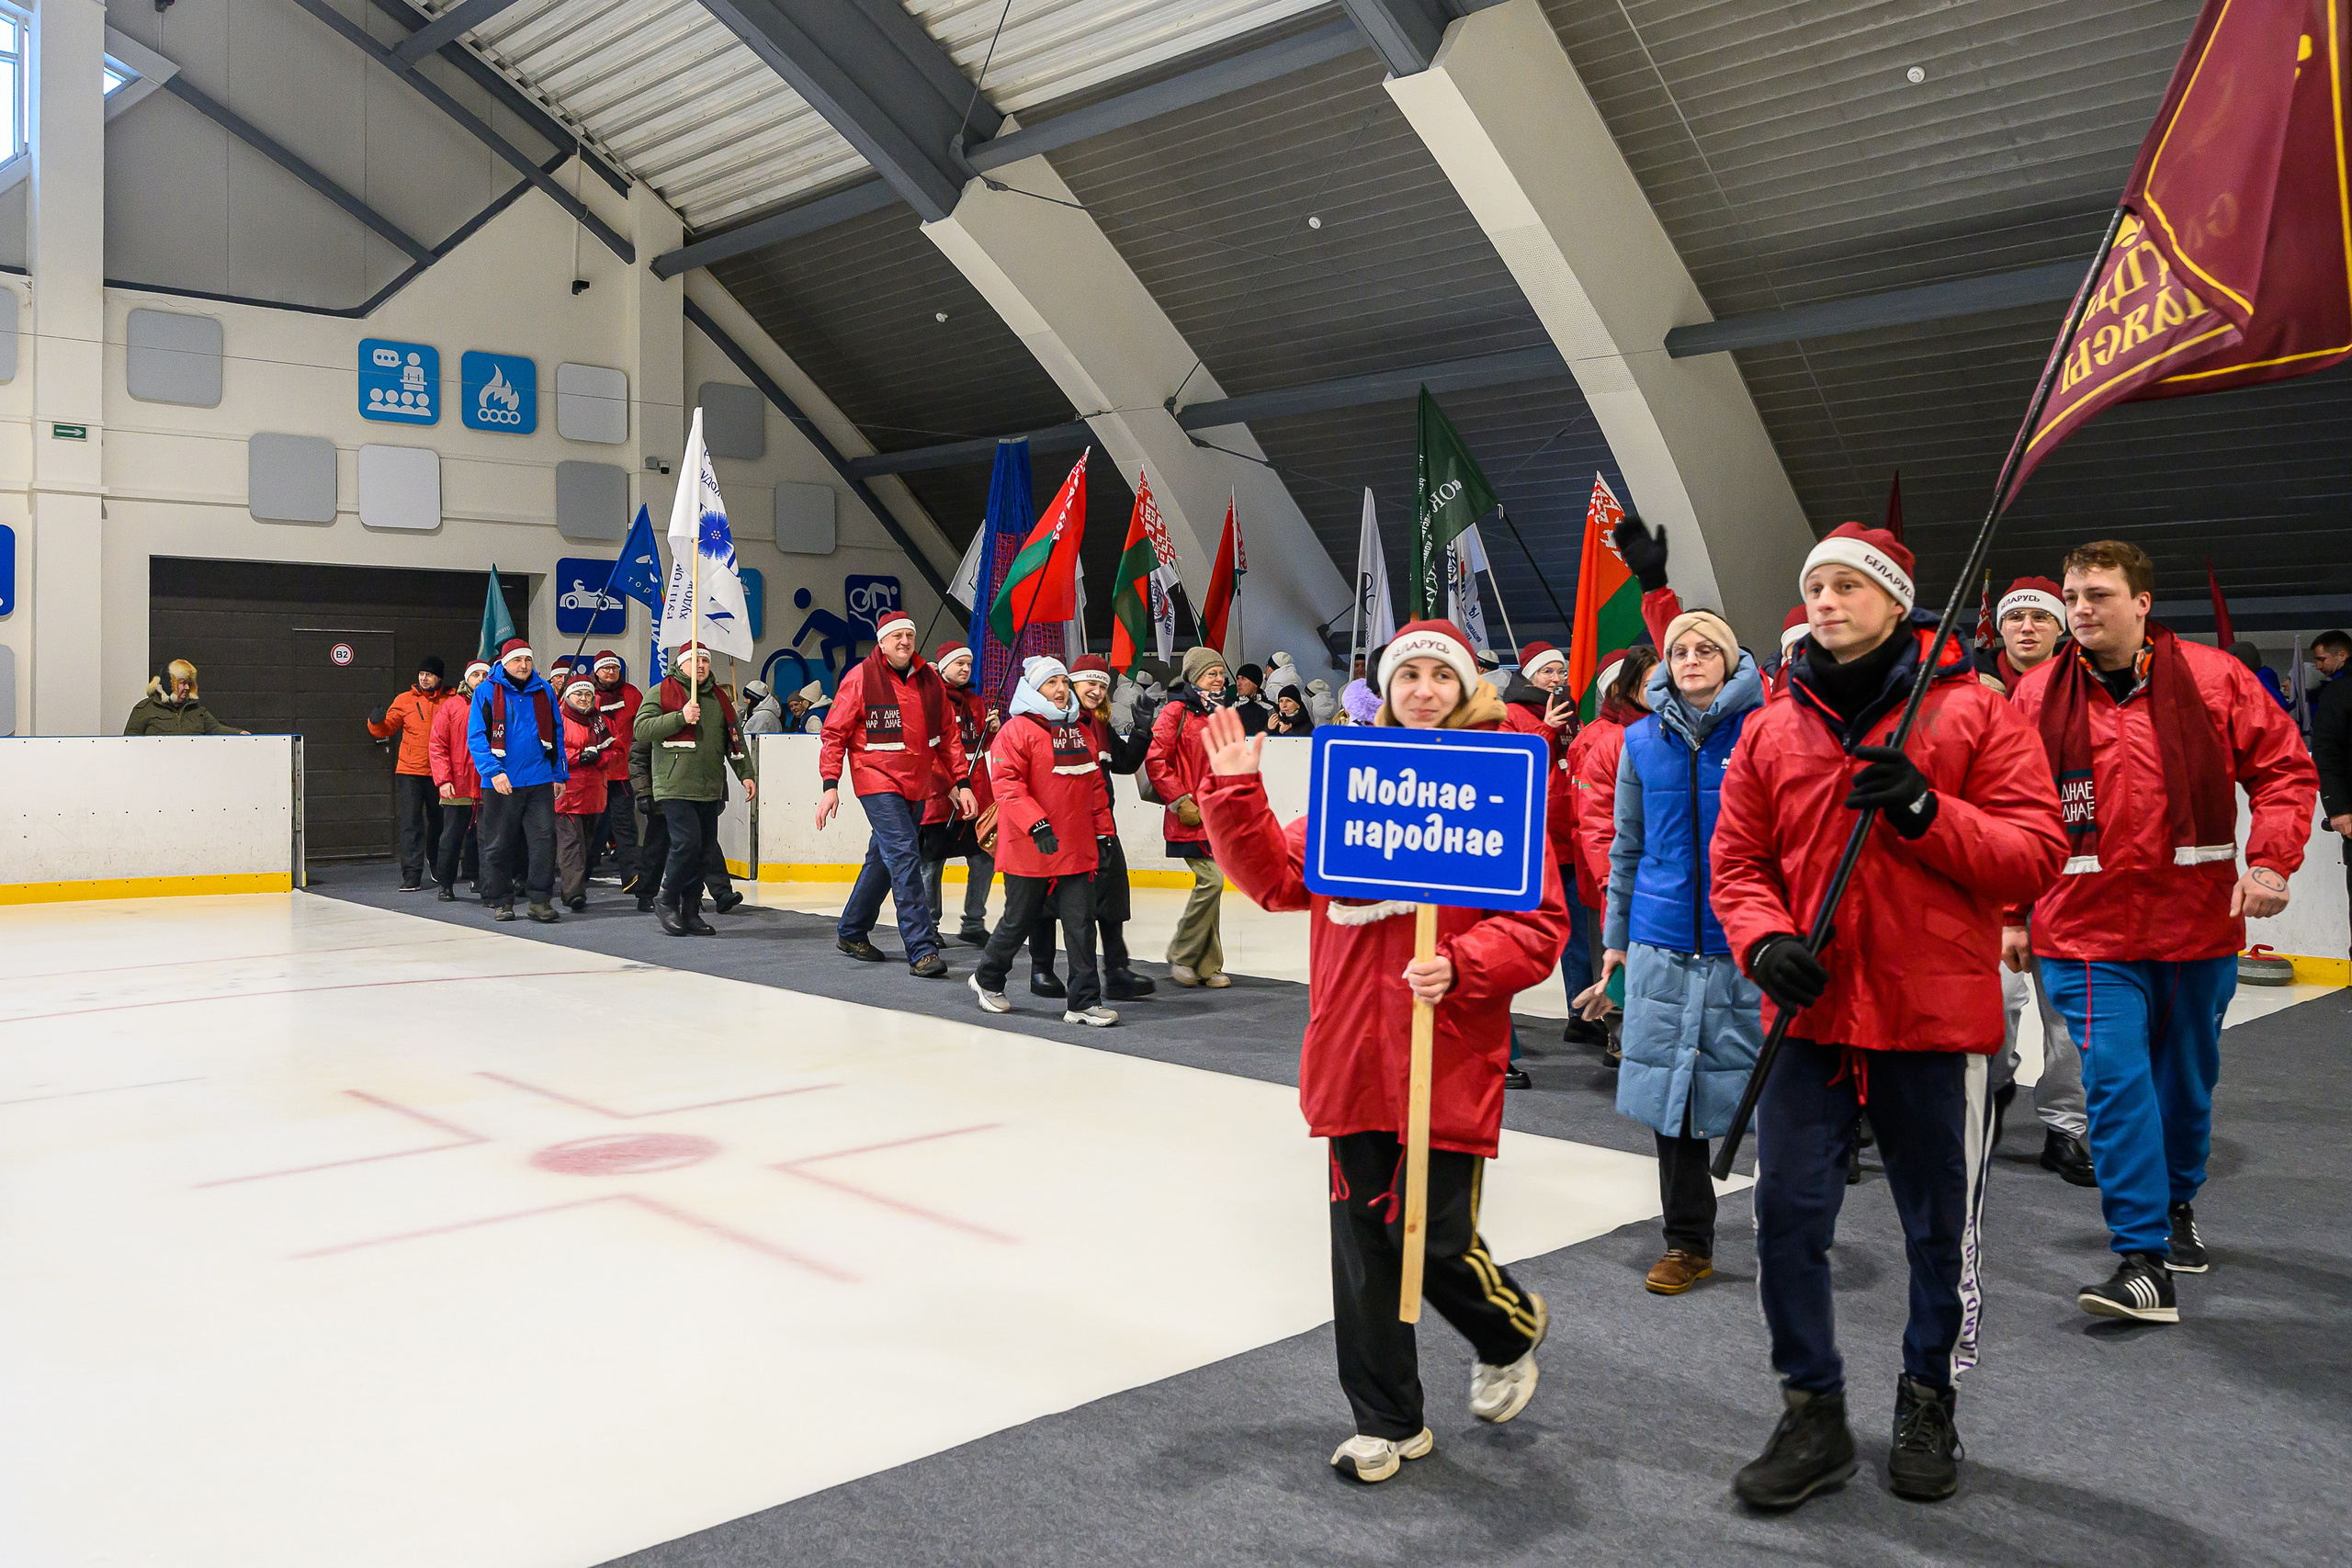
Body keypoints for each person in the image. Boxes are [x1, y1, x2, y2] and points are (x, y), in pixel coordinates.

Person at [1711, 523, 2064, 1508]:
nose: (1824, 602)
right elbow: (1737, 864)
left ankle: (1926, 1395)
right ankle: (1810, 1408)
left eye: (1845, 586)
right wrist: (1763, 940)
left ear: (1896, 599)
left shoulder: (1972, 715)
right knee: (1784, 1217)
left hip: (1933, 1017)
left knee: (1936, 1231)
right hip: (1809, 1019)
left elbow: (2034, 852)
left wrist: (1925, 813)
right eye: (1811, 587)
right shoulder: (1771, 727)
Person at [1197, 619, 1569, 1483]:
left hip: (1447, 1049)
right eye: (1411, 677)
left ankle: (1507, 1327)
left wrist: (1466, 962)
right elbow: (1276, 881)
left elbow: (1542, 924)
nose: (1426, 689)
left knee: (1432, 1237)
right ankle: (1388, 1420)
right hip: (1355, 1054)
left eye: (1443, 675)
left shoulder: (1499, 786)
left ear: (1466, 688)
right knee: (1365, 1245)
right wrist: (1236, 792)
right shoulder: (1350, 785)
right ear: (1389, 691)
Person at [2009, 540, 2316, 1325]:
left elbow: (2284, 769)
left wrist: (2272, 860)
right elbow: (2005, 808)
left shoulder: (2215, 680)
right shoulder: (2037, 696)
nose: (2080, 608)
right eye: (2073, 594)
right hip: (2082, 934)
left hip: (2195, 930)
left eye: (2098, 595)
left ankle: (2178, 1206)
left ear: (2142, 602)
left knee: (2185, 1089)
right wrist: (2009, 913)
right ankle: (2141, 1257)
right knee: (2113, 1083)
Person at [1577, 611, 1764, 1296]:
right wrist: (1616, 943)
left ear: (1730, 658)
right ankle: (1688, 1240)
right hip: (1660, 941)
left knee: (1765, 1088)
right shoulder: (1638, 742)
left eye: (1704, 648)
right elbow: (1625, 848)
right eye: (1678, 650)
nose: (1690, 659)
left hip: (1747, 940)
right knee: (1674, 1101)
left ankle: (1790, 1226)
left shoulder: (1766, 731)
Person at [1984, 578, 2092, 1184]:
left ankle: (2065, 1128)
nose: (2027, 627)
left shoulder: (2086, 691)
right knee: (1993, 1006)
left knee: (2069, 1021)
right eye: (2015, 616)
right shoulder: (1967, 686)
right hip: (1988, 881)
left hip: (2067, 884)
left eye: (2039, 617)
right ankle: (1992, 1093)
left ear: (2061, 627)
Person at [820, 612, 972, 976]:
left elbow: (946, 738)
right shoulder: (859, 679)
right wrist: (830, 785)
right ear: (882, 642)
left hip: (917, 782)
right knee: (904, 855)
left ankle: (852, 931)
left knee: (883, 859)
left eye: (909, 634)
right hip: (876, 780)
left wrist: (958, 783)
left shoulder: (929, 683)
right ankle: (921, 950)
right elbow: (834, 734)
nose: (904, 641)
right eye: (897, 636)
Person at [969, 657, 1118, 1027]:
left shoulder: (1079, 731)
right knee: (1018, 920)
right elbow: (1007, 785)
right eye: (1052, 683)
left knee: (1081, 922)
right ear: (1034, 689)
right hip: (1029, 845)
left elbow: (1095, 788)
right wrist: (1037, 825)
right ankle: (987, 979)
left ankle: (1083, 1001)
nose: (1061, 690)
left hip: (1076, 845)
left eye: (1064, 683)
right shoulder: (1016, 730)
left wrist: (1104, 834)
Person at [1025, 655, 1155, 1001]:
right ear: (1071, 684)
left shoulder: (1098, 724)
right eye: (1089, 684)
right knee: (1047, 898)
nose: (1096, 691)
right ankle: (1041, 969)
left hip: (1100, 824)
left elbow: (1125, 764)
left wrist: (1142, 731)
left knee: (1111, 895)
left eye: (1102, 685)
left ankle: (1116, 970)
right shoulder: (1054, 720)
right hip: (1060, 823)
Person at [1499, 639, 1587, 1073]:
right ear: (1529, 676)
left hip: (1569, 833)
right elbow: (1514, 766)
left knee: (1578, 931)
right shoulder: (1511, 714)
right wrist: (1547, 729)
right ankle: (1500, 1027)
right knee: (1512, 933)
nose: (1556, 678)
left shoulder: (1572, 709)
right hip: (1532, 839)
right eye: (1548, 672)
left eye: (1560, 671)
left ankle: (1582, 1014)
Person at [1566, 648, 1657, 1060]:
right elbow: (1597, 822)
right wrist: (1612, 883)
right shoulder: (1606, 742)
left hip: (1673, 884)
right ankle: (1621, 1035)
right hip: (1623, 879)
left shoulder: (1689, 737)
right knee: (1618, 960)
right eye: (1647, 684)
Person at [632, 643, 756, 936]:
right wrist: (680, 717)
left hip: (709, 786)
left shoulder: (718, 699)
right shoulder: (660, 691)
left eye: (705, 660)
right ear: (681, 663)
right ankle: (666, 899)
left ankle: (690, 911)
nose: (701, 665)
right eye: (695, 660)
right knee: (686, 843)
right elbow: (642, 730)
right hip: (674, 785)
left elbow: (734, 741)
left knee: (702, 850)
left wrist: (746, 774)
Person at [1148, 645, 1235, 987]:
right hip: (1189, 815)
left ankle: (1209, 966)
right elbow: (1156, 761)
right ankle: (1182, 952)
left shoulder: (1221, 713)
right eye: (1211, 673)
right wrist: (1180, 800)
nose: (1218, 679)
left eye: (1220, 673)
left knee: (1211, 886)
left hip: (1217, 815)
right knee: (1212, 881)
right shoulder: (1175, 711)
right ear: (1194, 677)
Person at [466, 638, 567, 924]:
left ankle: (540, 900)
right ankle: (501, 900)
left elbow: (557, 735)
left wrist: (558, 774)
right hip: (501, 782)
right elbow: (476, 737)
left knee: (544, 840)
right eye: (517, 660)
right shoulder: (486, 691)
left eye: (528, 660)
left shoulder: (545, 690)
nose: (523, 666)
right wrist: (493, 772)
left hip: (539, 780)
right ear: (504, 663)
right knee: (499, 844)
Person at [922, 639, 998, 947]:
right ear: (943, 667)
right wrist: (949, 785)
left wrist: (991, 733)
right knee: (930, 865)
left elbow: (979, 749)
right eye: (959, 664)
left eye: (968, 664)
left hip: (977, 793)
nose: (965, 669)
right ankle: (928, 925)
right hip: (938, 797)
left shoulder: (977, 703)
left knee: (984, 859)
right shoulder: (928, 701)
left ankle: (974, 921)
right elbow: (927, 751)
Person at [365, 656, 450, 890]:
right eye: (421, 674)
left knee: (440, 822)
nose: (424, 678)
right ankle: (412, 874)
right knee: (411, 824)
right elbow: (388, 727)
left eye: (429, 675)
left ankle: (437, 865)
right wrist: (376, 722)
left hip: (440, 773)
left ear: (439, 678)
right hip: (410, 771)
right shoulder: (404, 700)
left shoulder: (450, 700)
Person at [428, 660, 490, 902]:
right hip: (457, 783)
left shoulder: (498, 704)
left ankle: (482, 881)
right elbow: (437, 745)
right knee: (451, 837)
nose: (482, 679)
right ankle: (446, 883)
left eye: (486, 674)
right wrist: (443, 779)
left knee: (485, 838)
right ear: (468, 678)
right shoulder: (452, 706)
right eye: (477, 675)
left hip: (487, 783)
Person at [552, 677, 615, 910]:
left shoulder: (601, 722)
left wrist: (601, 757)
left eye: (587, 695)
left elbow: (616, 751)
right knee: (572, 844)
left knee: (588, 845)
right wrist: (579, 757)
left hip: (595, 793)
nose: (583, 699)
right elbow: (552, 751)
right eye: (578, 694)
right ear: (568, 697)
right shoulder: (557, 718)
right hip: (567, 793)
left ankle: (576, 886)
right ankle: (573, 893)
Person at [588, 652, 644, 892]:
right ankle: (582, 873)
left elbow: (643, 728)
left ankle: (631, 876)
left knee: (624, 825)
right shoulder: (585, 694)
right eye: (606, 668)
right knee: (594, 828)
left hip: (622, 772)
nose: (610, 672)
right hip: (594, 773)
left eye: (614, 668)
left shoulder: (632, 695)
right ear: (596, 671)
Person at [2312, 630, 2352, 931]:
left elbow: (2325, 752)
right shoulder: (2339, 693)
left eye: (2321, 659)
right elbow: (2326, 753)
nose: (2317, 665)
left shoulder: (2339, 692)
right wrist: (2337, 808)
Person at [125, 660, 243, 736]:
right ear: (169, 684)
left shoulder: (197, 711)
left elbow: (216, 729)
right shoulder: (144, 710)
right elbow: (129, 744)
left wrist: (239, 734)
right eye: (182, 683)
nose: (187, 687)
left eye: (189, 683)